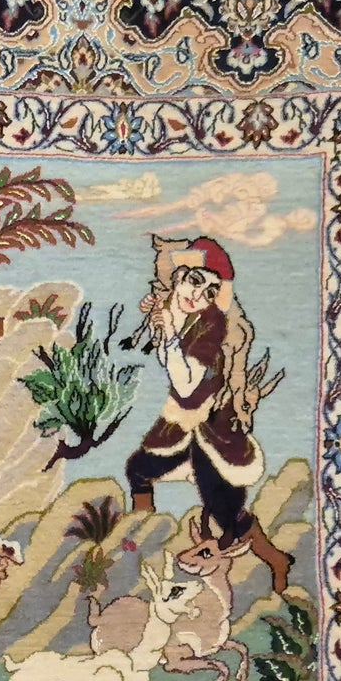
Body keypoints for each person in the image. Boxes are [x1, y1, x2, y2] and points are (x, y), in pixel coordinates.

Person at [124, 236, 292, 593]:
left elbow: (185, 384)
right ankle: (140, 544)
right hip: (182, 423)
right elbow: (165, 347)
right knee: (139, 470)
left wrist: (168, 332)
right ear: (180, 275)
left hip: (210, 432)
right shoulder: (178, 308)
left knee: (225, 514)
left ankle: (277, 561)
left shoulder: (213, 326)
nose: (198, 295)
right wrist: (160, 320)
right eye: (195, 281)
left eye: (210, 291)